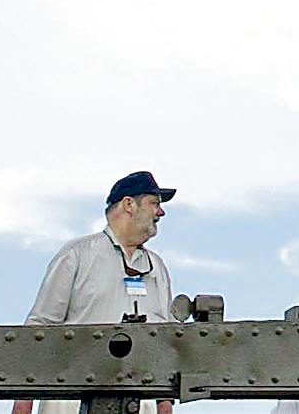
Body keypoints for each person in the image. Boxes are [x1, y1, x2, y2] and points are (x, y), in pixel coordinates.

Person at [11, 172, 177, 414]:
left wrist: (165, 404)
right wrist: (23, 401)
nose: (160, 213)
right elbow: (41, 328)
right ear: (129, 204)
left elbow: (166, 340)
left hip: (140, 401)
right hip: (72, 398)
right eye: (154, 203)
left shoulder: (157, 267)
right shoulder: (77, 255)